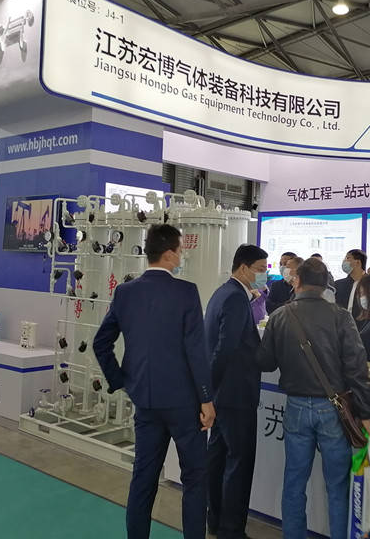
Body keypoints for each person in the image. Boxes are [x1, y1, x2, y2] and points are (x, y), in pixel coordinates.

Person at [93, 224, 214, 539]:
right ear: (170, 253)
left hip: (145, 401)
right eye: (180, 250)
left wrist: (121, 380)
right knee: (195, 479)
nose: (182, 256)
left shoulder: (125, 292)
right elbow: (196, 350)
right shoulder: (186, 292)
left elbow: (100, 343)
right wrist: (206, 398)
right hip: (185, 404)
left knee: (143, 479)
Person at [257, 258, 370, 539]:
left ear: (297, 281)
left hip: (296, 407)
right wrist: (366, 413)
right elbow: (356, 366)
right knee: (337, 486)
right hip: (333, 409)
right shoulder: (341, 316)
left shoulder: (280, 316)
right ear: (325, 286)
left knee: (294, 482)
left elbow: (266, 362)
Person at [205, 244, 268, 539]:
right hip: (236, 394)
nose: (264, 275)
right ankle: (231, 530)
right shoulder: (234, 298)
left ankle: (216, 521)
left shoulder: (223, 293)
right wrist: (210, 387)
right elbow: (225, 348)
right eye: (260, 269)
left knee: (218, 459)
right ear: (243, 268)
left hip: (223, 394)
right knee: (239, 463)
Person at [334, 249, 367, 323]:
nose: (344, 261)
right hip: (342, 327)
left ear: (358, 262)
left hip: (364, 326)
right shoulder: (338, 284)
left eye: (348, 258)